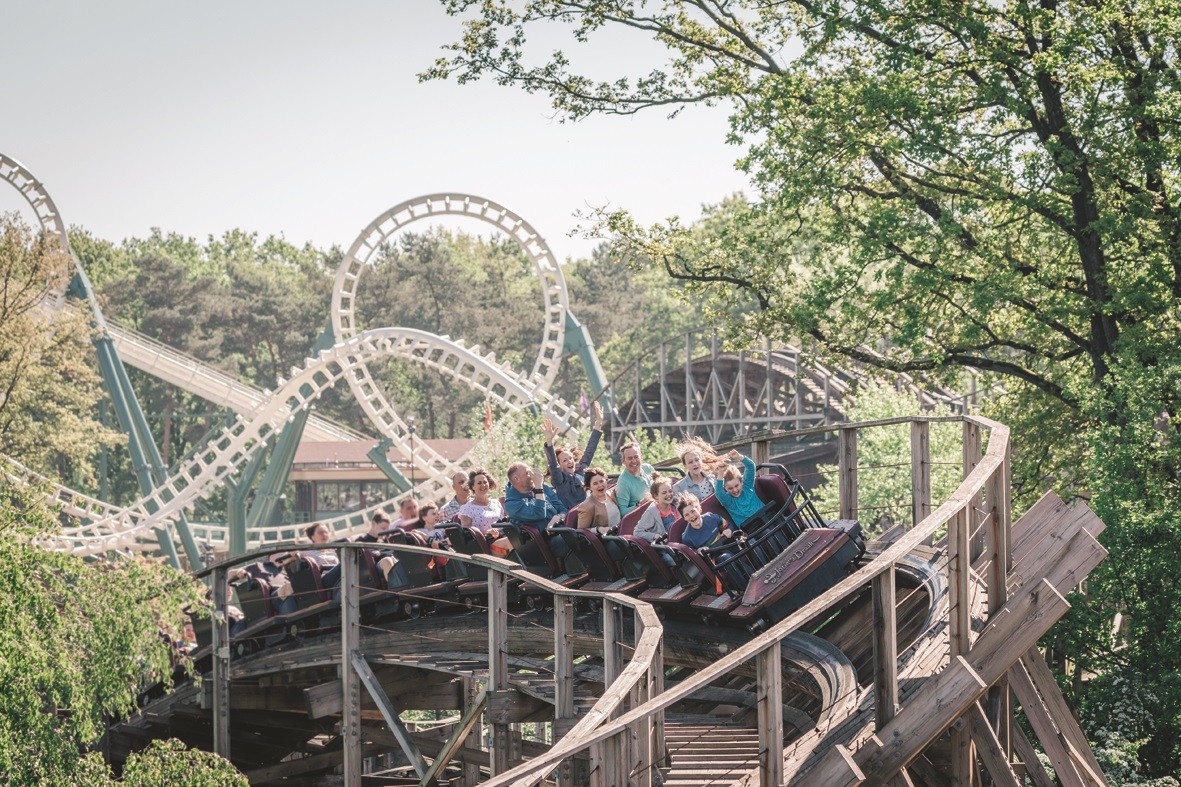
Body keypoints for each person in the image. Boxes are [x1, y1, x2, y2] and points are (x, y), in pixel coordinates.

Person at [542, 401, 604, 510]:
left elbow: (590, 450)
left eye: (570, 458)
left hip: (590, 510)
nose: (570, 461)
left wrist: (598, 422)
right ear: (560, 465)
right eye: (565, 460)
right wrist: (549, 441)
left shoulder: (580, 471)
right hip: (572, 515)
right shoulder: (559, 480)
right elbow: (553, 465)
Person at [504, 462, 567, 528]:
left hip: (561, 528)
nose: (532, 475)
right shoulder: (511, 504)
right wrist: (539, 488)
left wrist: (559, 517)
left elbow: (563, 509)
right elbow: (539, 513)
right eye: (528, 473)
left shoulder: (544, 488)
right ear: (516, 479)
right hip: (545, 534)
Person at [715, 449, 766, 527]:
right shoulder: (728, 501)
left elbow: (751, 466)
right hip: (751, 527)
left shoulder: (747, 486)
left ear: (741, 482)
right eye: (730, 488)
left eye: (736, 486)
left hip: (766, 515)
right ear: (725, 488)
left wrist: (739, 457)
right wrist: (721, 473)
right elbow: (719, 492)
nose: (735, 490)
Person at [673, 437, 723, 502]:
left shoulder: (712, 478)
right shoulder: (679, 487)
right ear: (685, 465)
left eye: (697, 460)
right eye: (690, 462)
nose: (695, 464)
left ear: (701, 460)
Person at [457, 468, 504, 533]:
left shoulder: (496, 503)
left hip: (502, 537)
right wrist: (486, 532)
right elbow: (467, 534)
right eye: (479, 483)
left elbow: (503, 525)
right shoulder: (467, 509)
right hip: (484, 539)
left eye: (485, 482)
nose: (483, 485)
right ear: (473, 486)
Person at [575, 467, 621, 532]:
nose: (600, 485)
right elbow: (581, 531)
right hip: (606, 537)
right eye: (595, 483)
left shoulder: (611, 494)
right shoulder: (586, 506)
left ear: (606, 481)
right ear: (589, 487)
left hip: (621, 532)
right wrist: (598, 529)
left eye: (601, 481)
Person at [615, 442, 655, 516]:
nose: (633, 461)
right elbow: (622, 512)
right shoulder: (623, 482)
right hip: (643, 517)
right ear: (623, 461)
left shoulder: (648, 468)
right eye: (629, 458)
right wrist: (640, 504)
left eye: (636, 457)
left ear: (641, 457)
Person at [632, 477, 676, 543]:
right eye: (664, 493)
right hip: (667, 545)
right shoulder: (652, 512)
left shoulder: (677, 504)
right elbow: (637, 532)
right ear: (656, 496)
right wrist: (655, 536)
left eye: (670, 491)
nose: (669, 494)